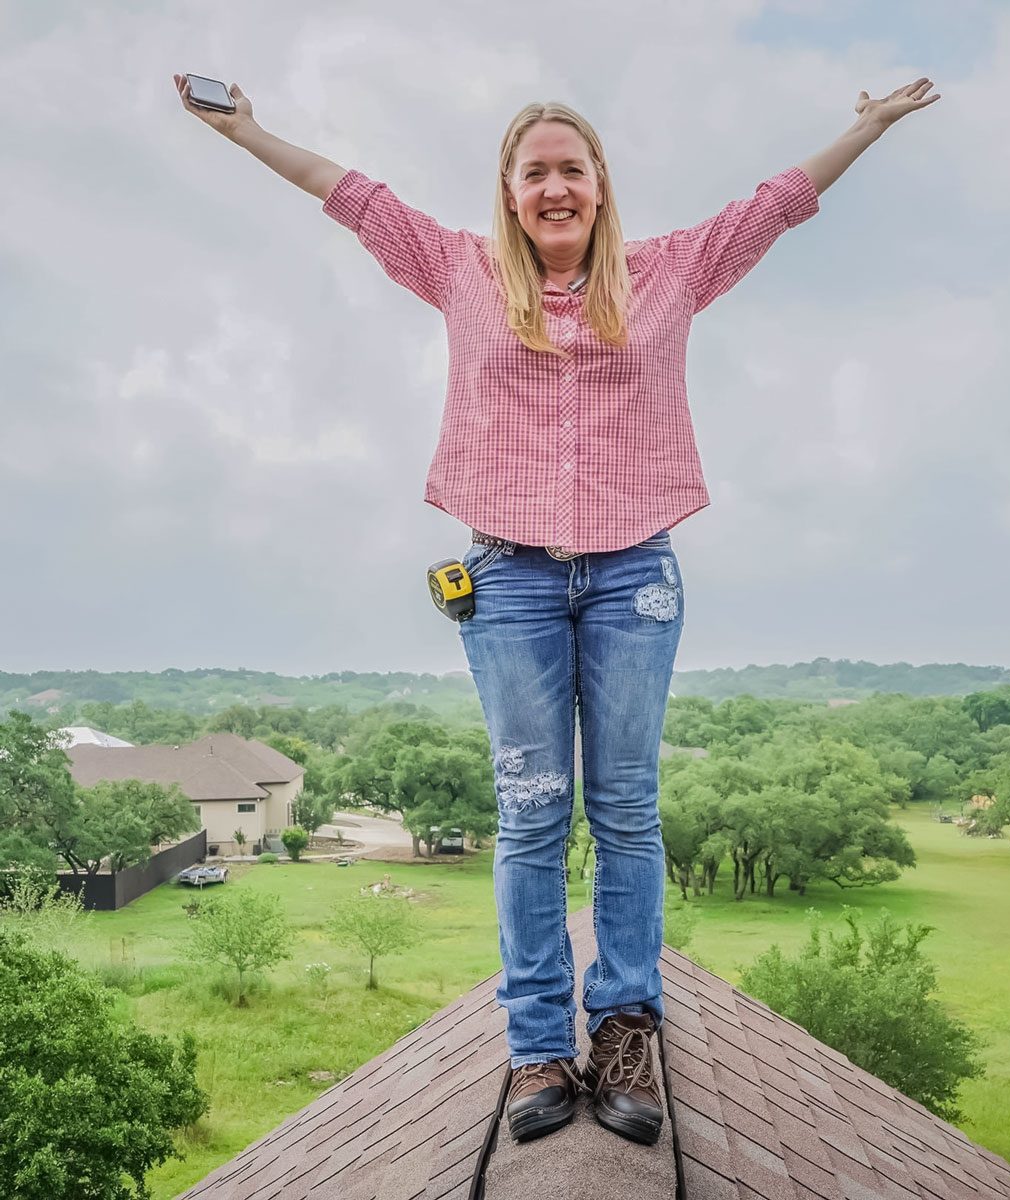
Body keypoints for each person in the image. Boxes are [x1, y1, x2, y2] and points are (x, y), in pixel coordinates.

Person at [173, 72, 940, 1147]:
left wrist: (864, 128)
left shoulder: (668, 273)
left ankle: (624, 1032)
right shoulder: (460, 270)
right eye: (534, 171)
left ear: (599, 184)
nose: (554, 187)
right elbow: (349, 193)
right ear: (510, 190)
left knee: (624, 808)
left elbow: (772, 203)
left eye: (570, 168)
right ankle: (538, 1045)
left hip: (635, 578)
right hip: (510, 580)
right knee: (533, 813)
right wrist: (246, 131)